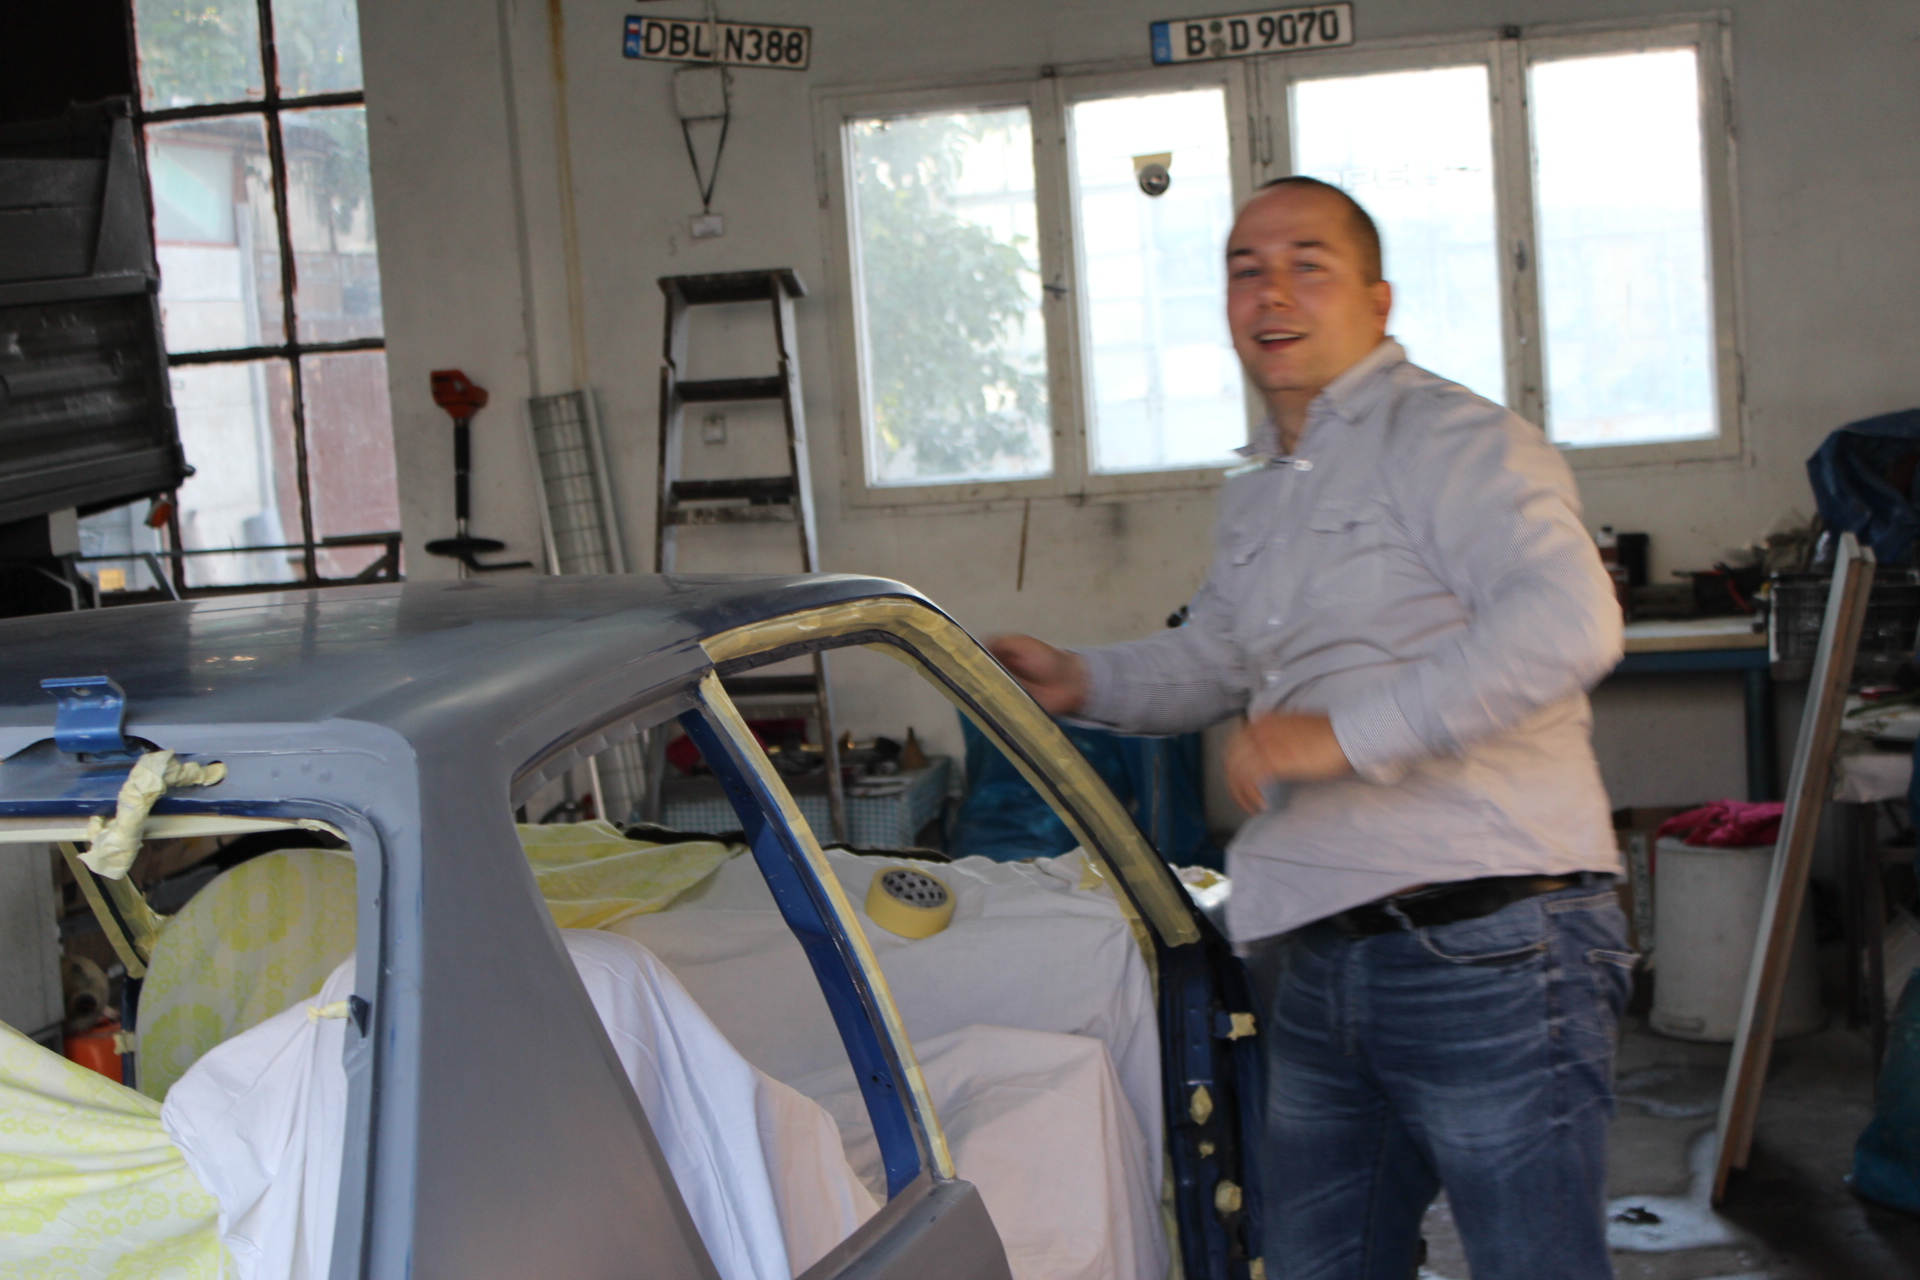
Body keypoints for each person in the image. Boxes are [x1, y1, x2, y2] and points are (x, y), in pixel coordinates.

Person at [988, 177, 1632, 1280]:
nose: (1273, 292)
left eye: (1308, 264)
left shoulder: (1452, 437)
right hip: (1318, 960)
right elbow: (1216, 657)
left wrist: (1338, 737)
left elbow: (1569, 620)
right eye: (1247, 269)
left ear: (1379, 300)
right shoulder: (1263, 487)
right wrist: (1079, 679)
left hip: (1489, 943)